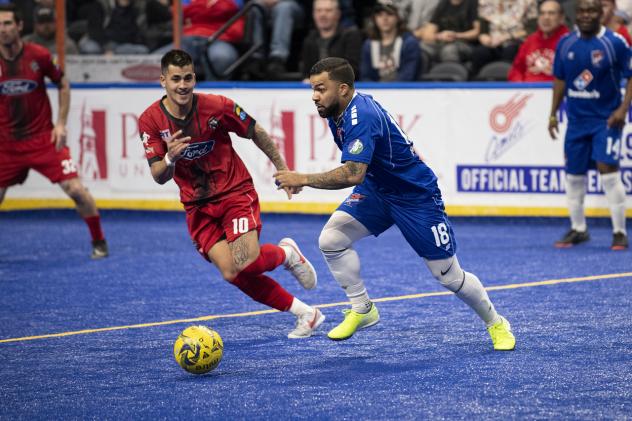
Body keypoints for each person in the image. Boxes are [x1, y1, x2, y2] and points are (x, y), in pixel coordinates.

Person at [274, 57, 515, 350]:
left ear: (344, 89)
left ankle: (497, 323)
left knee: (448, 275)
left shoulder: (360, 117)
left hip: (415, 196)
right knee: (332, 239)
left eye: (321, 89)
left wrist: (302, 178)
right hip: (378, 190)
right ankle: (363, 309)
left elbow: (353, 173)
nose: (314, 96)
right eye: (313, 89)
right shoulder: (340, 109)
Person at [138, 49, 324, 338]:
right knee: (232, 273)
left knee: (246, 261)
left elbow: (256, 131)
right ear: (163, 80)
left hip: (235, 193)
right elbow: (159, 176)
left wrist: (282, 168)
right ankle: (306, 314)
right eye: (176, 79)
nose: (183, 85)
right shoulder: (150, 121)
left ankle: (286, 254)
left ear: (195, 78)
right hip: (197, 207)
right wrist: (171, 159)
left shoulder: (218, 106)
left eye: (188, 78)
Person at [0, 4, 108, 259]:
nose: (2, 30)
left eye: (6, 24)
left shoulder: (38, 55)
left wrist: (60, 124)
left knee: (77, 191)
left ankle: (99, 240)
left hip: (43, 140)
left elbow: (63, 84)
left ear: (19, 26)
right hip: (6, 145)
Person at [549, 0, 631, 250]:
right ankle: (578, 228)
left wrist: (622, 109)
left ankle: (619, 231)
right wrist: (552, 114)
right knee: (573, 175)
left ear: (601, 14)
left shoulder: (615, 42)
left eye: (591, 11)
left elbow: (630, 76)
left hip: (605, 119)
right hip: (576, 121)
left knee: (608, 170)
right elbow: (560, 80)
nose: (585, 16)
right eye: (582, 11)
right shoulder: (565, 43)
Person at [301, 0, 363, 81]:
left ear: (338, 14)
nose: (322, 15)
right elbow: (306, 72)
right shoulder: (309, 39)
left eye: (328, 10)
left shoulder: (351, 36)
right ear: (313, 14)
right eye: (318, 10)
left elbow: (352, 71)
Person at [360, 0, 421, 82]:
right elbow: (366, 76)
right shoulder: (368, 45)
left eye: (389, 14)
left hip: (403, 91)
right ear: (374, 19)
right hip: (376, 92)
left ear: (398, 18)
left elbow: (407, 76)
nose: (384, 19)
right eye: (380, 15)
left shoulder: (409, 43)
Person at [508, 0, 568, 82]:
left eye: (551, 13)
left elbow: (575, 73)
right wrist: (520, 85)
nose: (546, 17)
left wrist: (556, 73)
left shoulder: (569, 42)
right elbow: (516, 70)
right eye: (542, 13)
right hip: (528, 90)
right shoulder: (530, 40)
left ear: (561, 18)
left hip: (554, 90)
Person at [418, 0, 480, 66]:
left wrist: (455, 35)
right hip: (442, 42)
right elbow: (428, 34)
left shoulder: (472, 3)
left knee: (449, 50)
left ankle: (450, 74)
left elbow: (477, 32)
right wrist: (439, 36)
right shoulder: (443, 3)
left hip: (466, 43)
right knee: (421, 47)